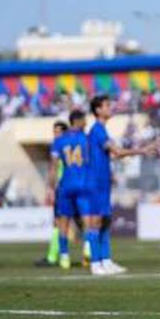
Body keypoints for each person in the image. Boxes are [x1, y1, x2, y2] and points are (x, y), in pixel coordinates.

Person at [87, 94, 158, 276]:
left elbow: (114, 155)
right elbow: (117, 151)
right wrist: (142, 150)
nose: (110, 108)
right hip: (95, 182)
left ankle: (106, 261)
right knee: (96, 221)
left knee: (105, 220)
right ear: (98, 110)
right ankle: (95, 263)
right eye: (106, 105)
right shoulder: (97, 129)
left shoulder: (102, 130)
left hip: (103, 181)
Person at [48, 110, 95, 272]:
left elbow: (53, 167)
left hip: (66, 185)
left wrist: (50, 188)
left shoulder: (59, 141)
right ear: (78, 121)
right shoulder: (87, 139)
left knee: (63, 221)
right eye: (85, 120)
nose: (86, 123)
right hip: (84, 184)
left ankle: (64, 256)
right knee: (87, 219)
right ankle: (88, 248)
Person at [35, 121, 70, 267]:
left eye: (58, 132)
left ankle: (55, 257)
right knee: (78, 222)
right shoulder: (69, 147)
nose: (55, 135)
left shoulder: (59, 148)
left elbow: (54, 169)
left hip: (63, 189)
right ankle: (89, 256)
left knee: (59, 223)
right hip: (69, 188)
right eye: (54, 132)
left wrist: (51, 188)